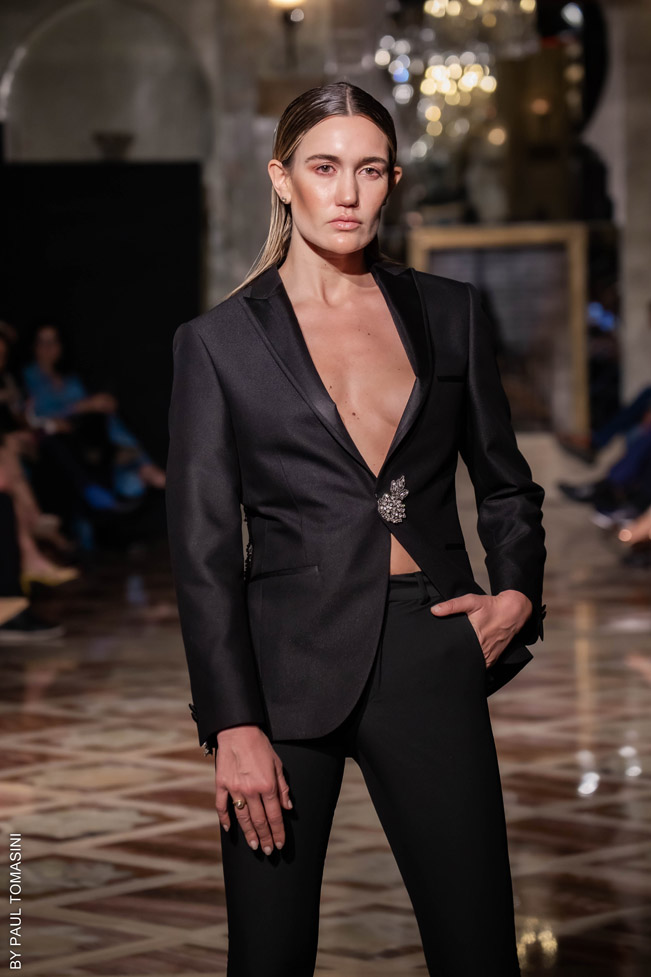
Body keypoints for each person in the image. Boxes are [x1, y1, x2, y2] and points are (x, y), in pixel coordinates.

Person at [165, 82, 547, 977]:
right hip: (280, 672)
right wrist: (232, 722)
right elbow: (203, 552)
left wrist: (516, 594)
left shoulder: (448, 311)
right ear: (282, 179)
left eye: (369, 170)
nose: (347, 193)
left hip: (429, 643)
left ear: (393, 181)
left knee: (477, 949)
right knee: (268, 957)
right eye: (324, 167)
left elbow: (505, 482)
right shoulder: (218, 343)